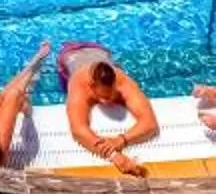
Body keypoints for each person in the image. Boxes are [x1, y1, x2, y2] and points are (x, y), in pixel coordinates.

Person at [59, 43, 160, 176]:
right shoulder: (79, 85)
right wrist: (113, 155)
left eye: (109, 96)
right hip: (70, 54)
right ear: (91, 86)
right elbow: (78, 130)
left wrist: (121, 140)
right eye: (100, 97)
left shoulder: (123, 83)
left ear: (115, 86)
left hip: (98, 49)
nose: (104, 102)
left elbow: (150, 124)